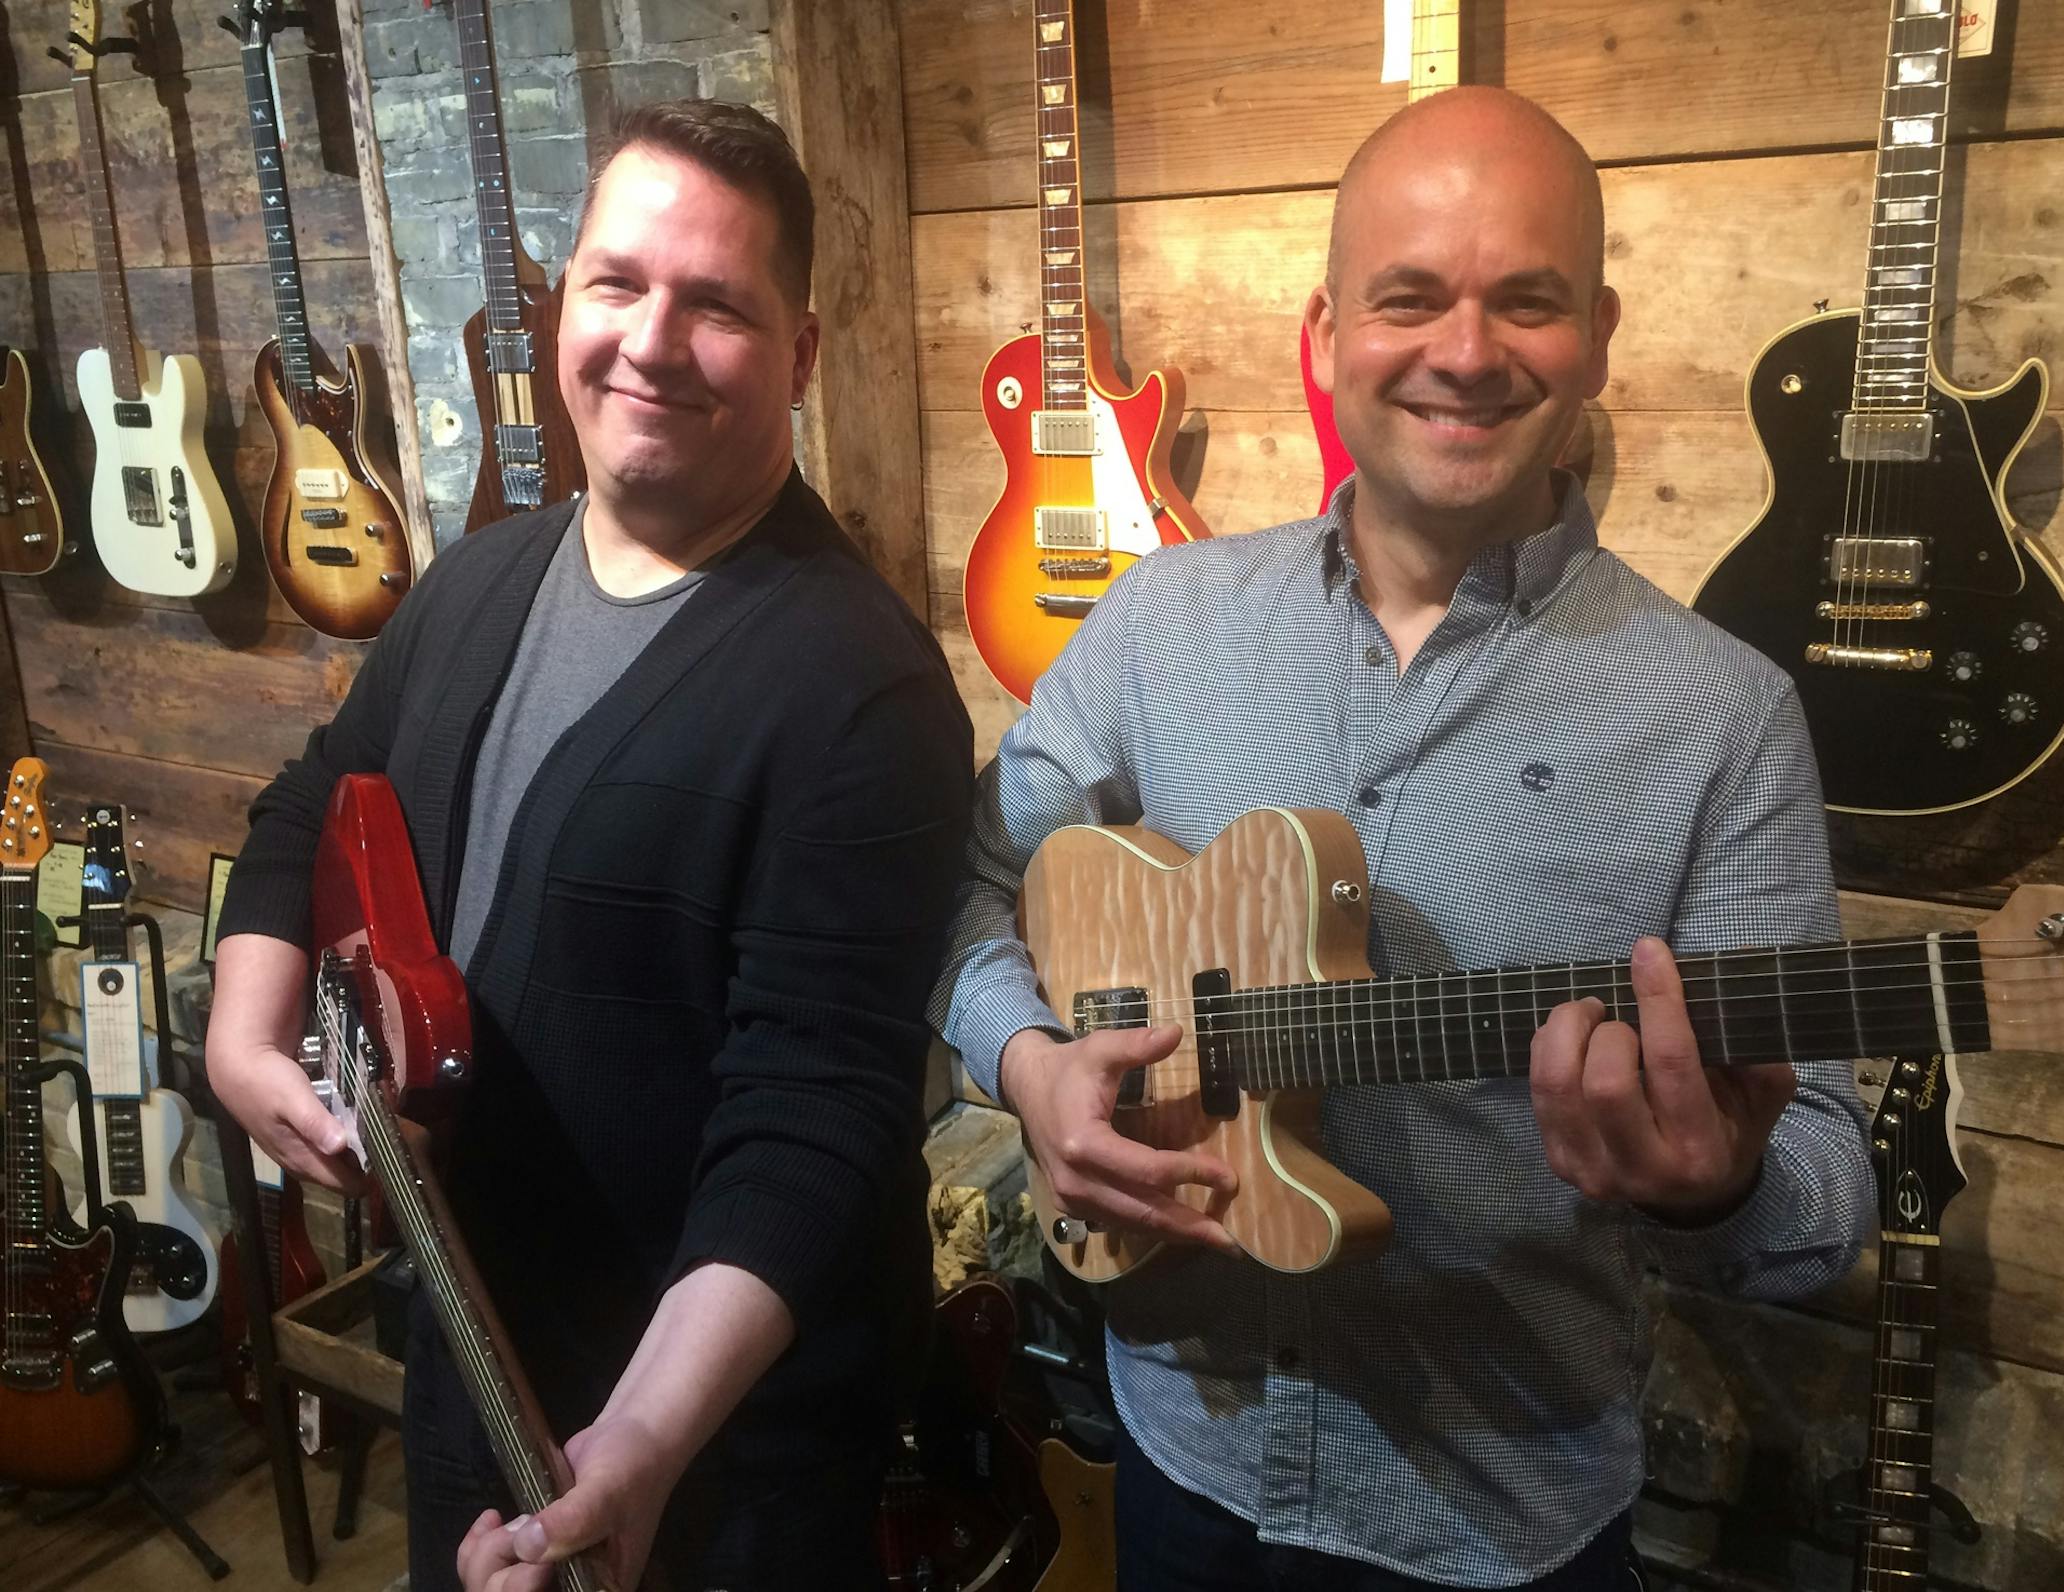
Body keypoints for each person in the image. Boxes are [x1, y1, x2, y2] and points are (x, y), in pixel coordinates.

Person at [932, 87, 1873, 1591]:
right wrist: (1030, 1064)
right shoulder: (1160, 623)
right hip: (1179, 1462)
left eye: (1529, 302)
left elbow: (1824, 1172)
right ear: (1325, 336)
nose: (1465, 350)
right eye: (1410, 298)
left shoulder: (1724, 717)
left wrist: (1721, 1185)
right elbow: (973, 885)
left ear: (1601, 337)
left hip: (1500, 1524)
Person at [207, 100, 974, 1592]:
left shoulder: (855, 684)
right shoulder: (478, 581)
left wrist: (636, 1448)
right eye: (617, 285)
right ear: (564, 305)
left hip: (708, 1447)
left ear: (802, 356)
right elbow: (316, 796)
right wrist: (243, 1033)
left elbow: (815, 1115)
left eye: (718, 307)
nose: (649, 341)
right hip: (473, 1350)